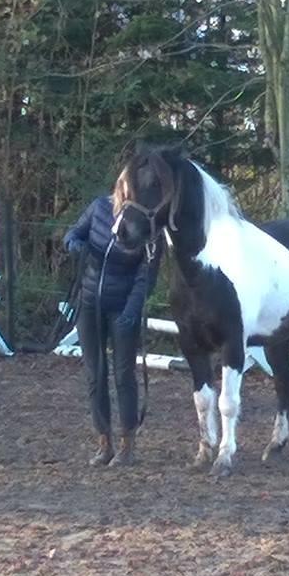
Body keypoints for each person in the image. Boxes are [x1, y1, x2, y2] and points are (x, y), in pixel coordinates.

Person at [64, 177, 163, 468]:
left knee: (124, 376)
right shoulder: (98, 208)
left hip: (121, 307)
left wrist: (132, 309)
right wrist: (73, 242)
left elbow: (146, 275)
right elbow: (75, 233)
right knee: (95, 374)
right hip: (89, 303)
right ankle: (103, 441)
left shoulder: (147, 227)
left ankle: (127, 443)